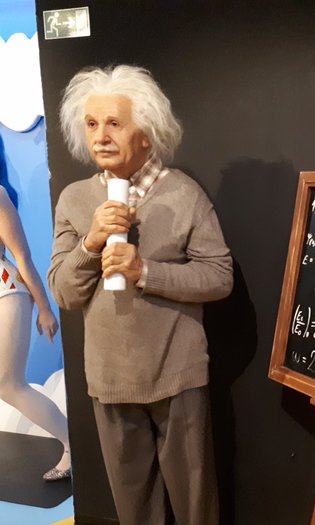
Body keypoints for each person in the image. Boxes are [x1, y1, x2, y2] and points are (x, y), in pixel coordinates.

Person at [48, 64, 232, 525]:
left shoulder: (184, 194)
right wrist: (91, 243)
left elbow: (219, 277)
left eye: (115, 123)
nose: (101, 136)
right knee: (134, 511)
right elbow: (65, 293)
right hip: (109, 381)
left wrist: (145, 271)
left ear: (147, 133)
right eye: (92, 124)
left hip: (178, 377)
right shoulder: (74, 199)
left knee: (196, 508)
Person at [0, 182, 71, 481]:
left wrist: (44, 307)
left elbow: (22, 255)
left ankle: (73, 445)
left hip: (5, 291)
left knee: (8, 384)